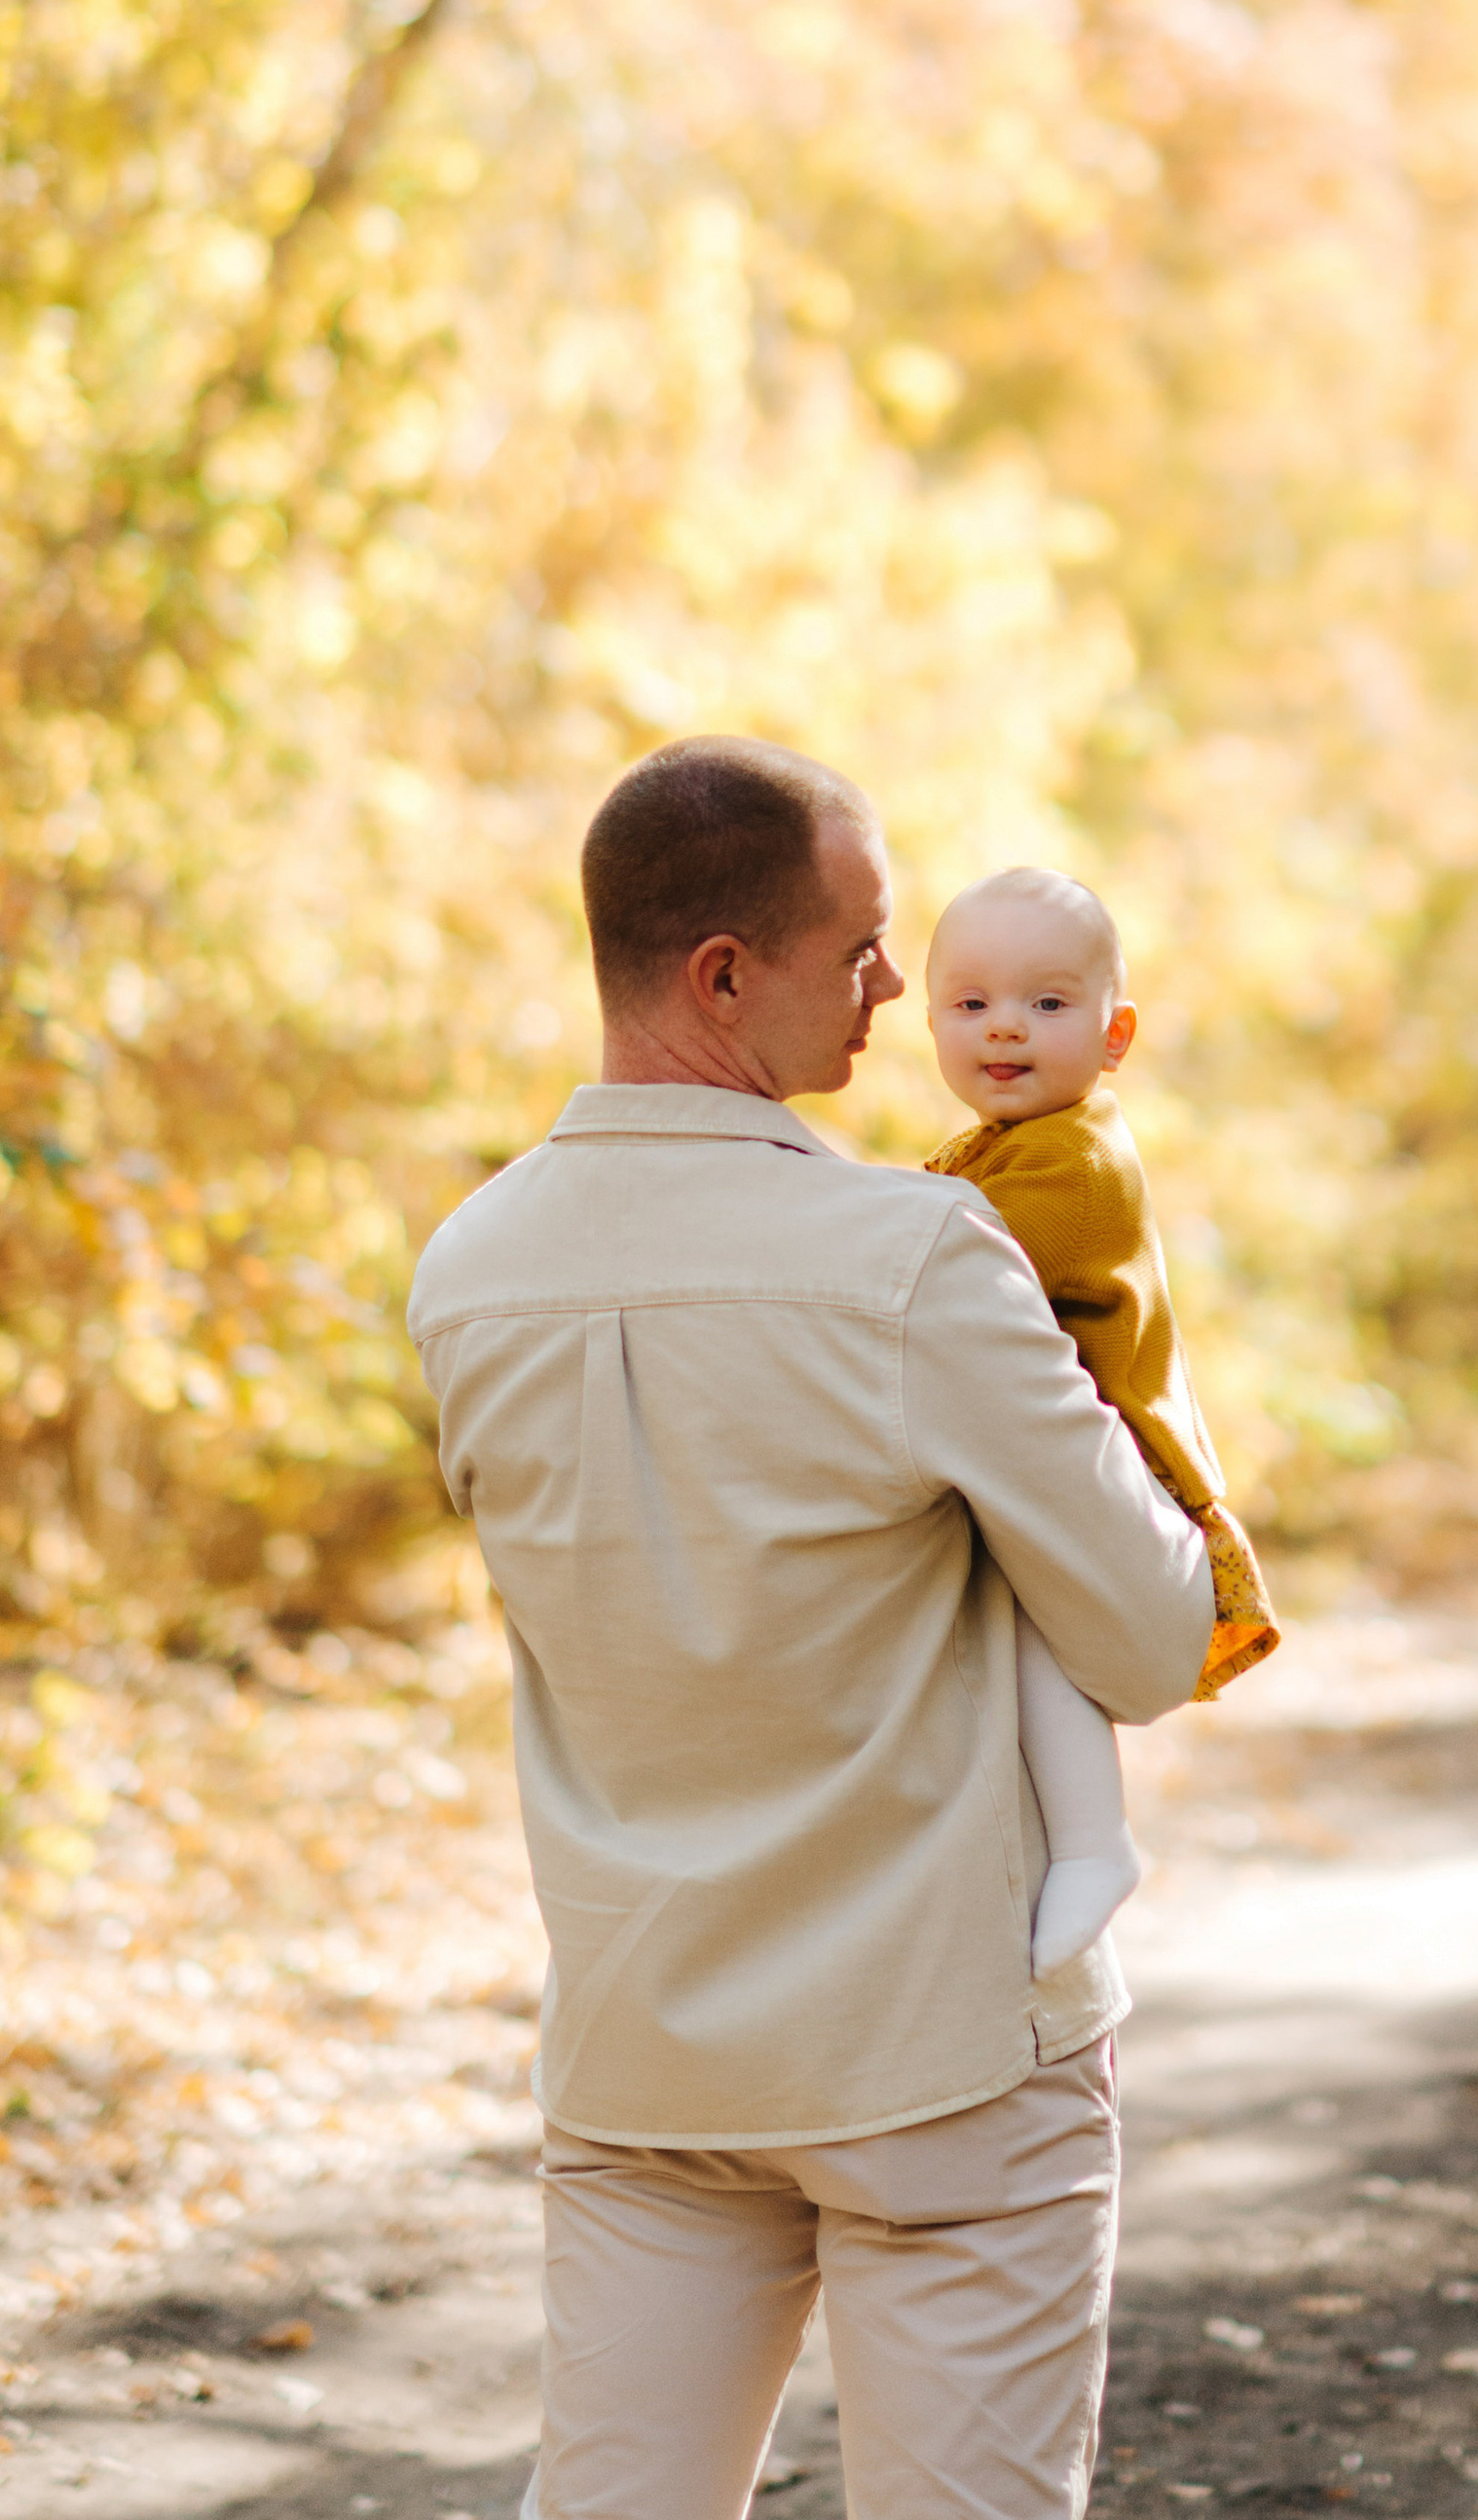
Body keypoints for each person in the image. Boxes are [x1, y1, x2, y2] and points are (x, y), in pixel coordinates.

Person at [406, 738, 1213, 2520]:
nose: (890, 990)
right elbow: (1156, 1640)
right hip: (941, 2053)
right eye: (859, 948)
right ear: (722, 977)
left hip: (645, 2052)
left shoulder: (463, 1274)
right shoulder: (917, 1255)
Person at [922, 866, 1278, 1975]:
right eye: (970, 1004)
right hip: (1062, 1450)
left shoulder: (1065, 1168)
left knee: (1034, 1633)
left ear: (1114, 1031)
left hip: (1121, 1471)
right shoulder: (1012, 1141)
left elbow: (919, 1258)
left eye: (1047, 1003)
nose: (1004, 1029)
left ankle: (1091, 1842)